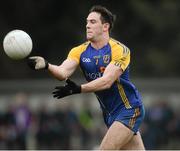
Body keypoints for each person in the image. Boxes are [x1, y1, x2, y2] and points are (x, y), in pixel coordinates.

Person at [28, 5, 145, 150]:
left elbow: (107, 81)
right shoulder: (79, 51)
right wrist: (47, 65)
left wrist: (78, 89)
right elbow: (63, 72)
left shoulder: (119, 49)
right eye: (87, 22)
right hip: (109, 114)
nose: (87, 26)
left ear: (105, 26)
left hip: (129, 108)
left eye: (93, 22)